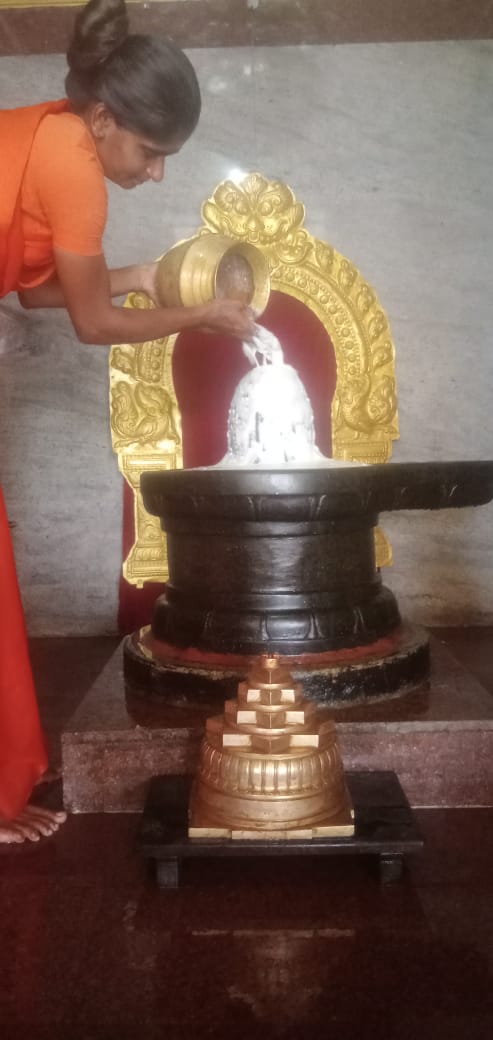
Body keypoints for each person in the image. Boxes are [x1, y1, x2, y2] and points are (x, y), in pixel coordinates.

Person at [0, 0, 254, 843]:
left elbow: (37, 292)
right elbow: (91, 324)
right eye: (151, 152)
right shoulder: (73, 161)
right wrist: (200, 317)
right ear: (104, 119)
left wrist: (143, 275)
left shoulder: (53, 135)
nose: (157, 174)